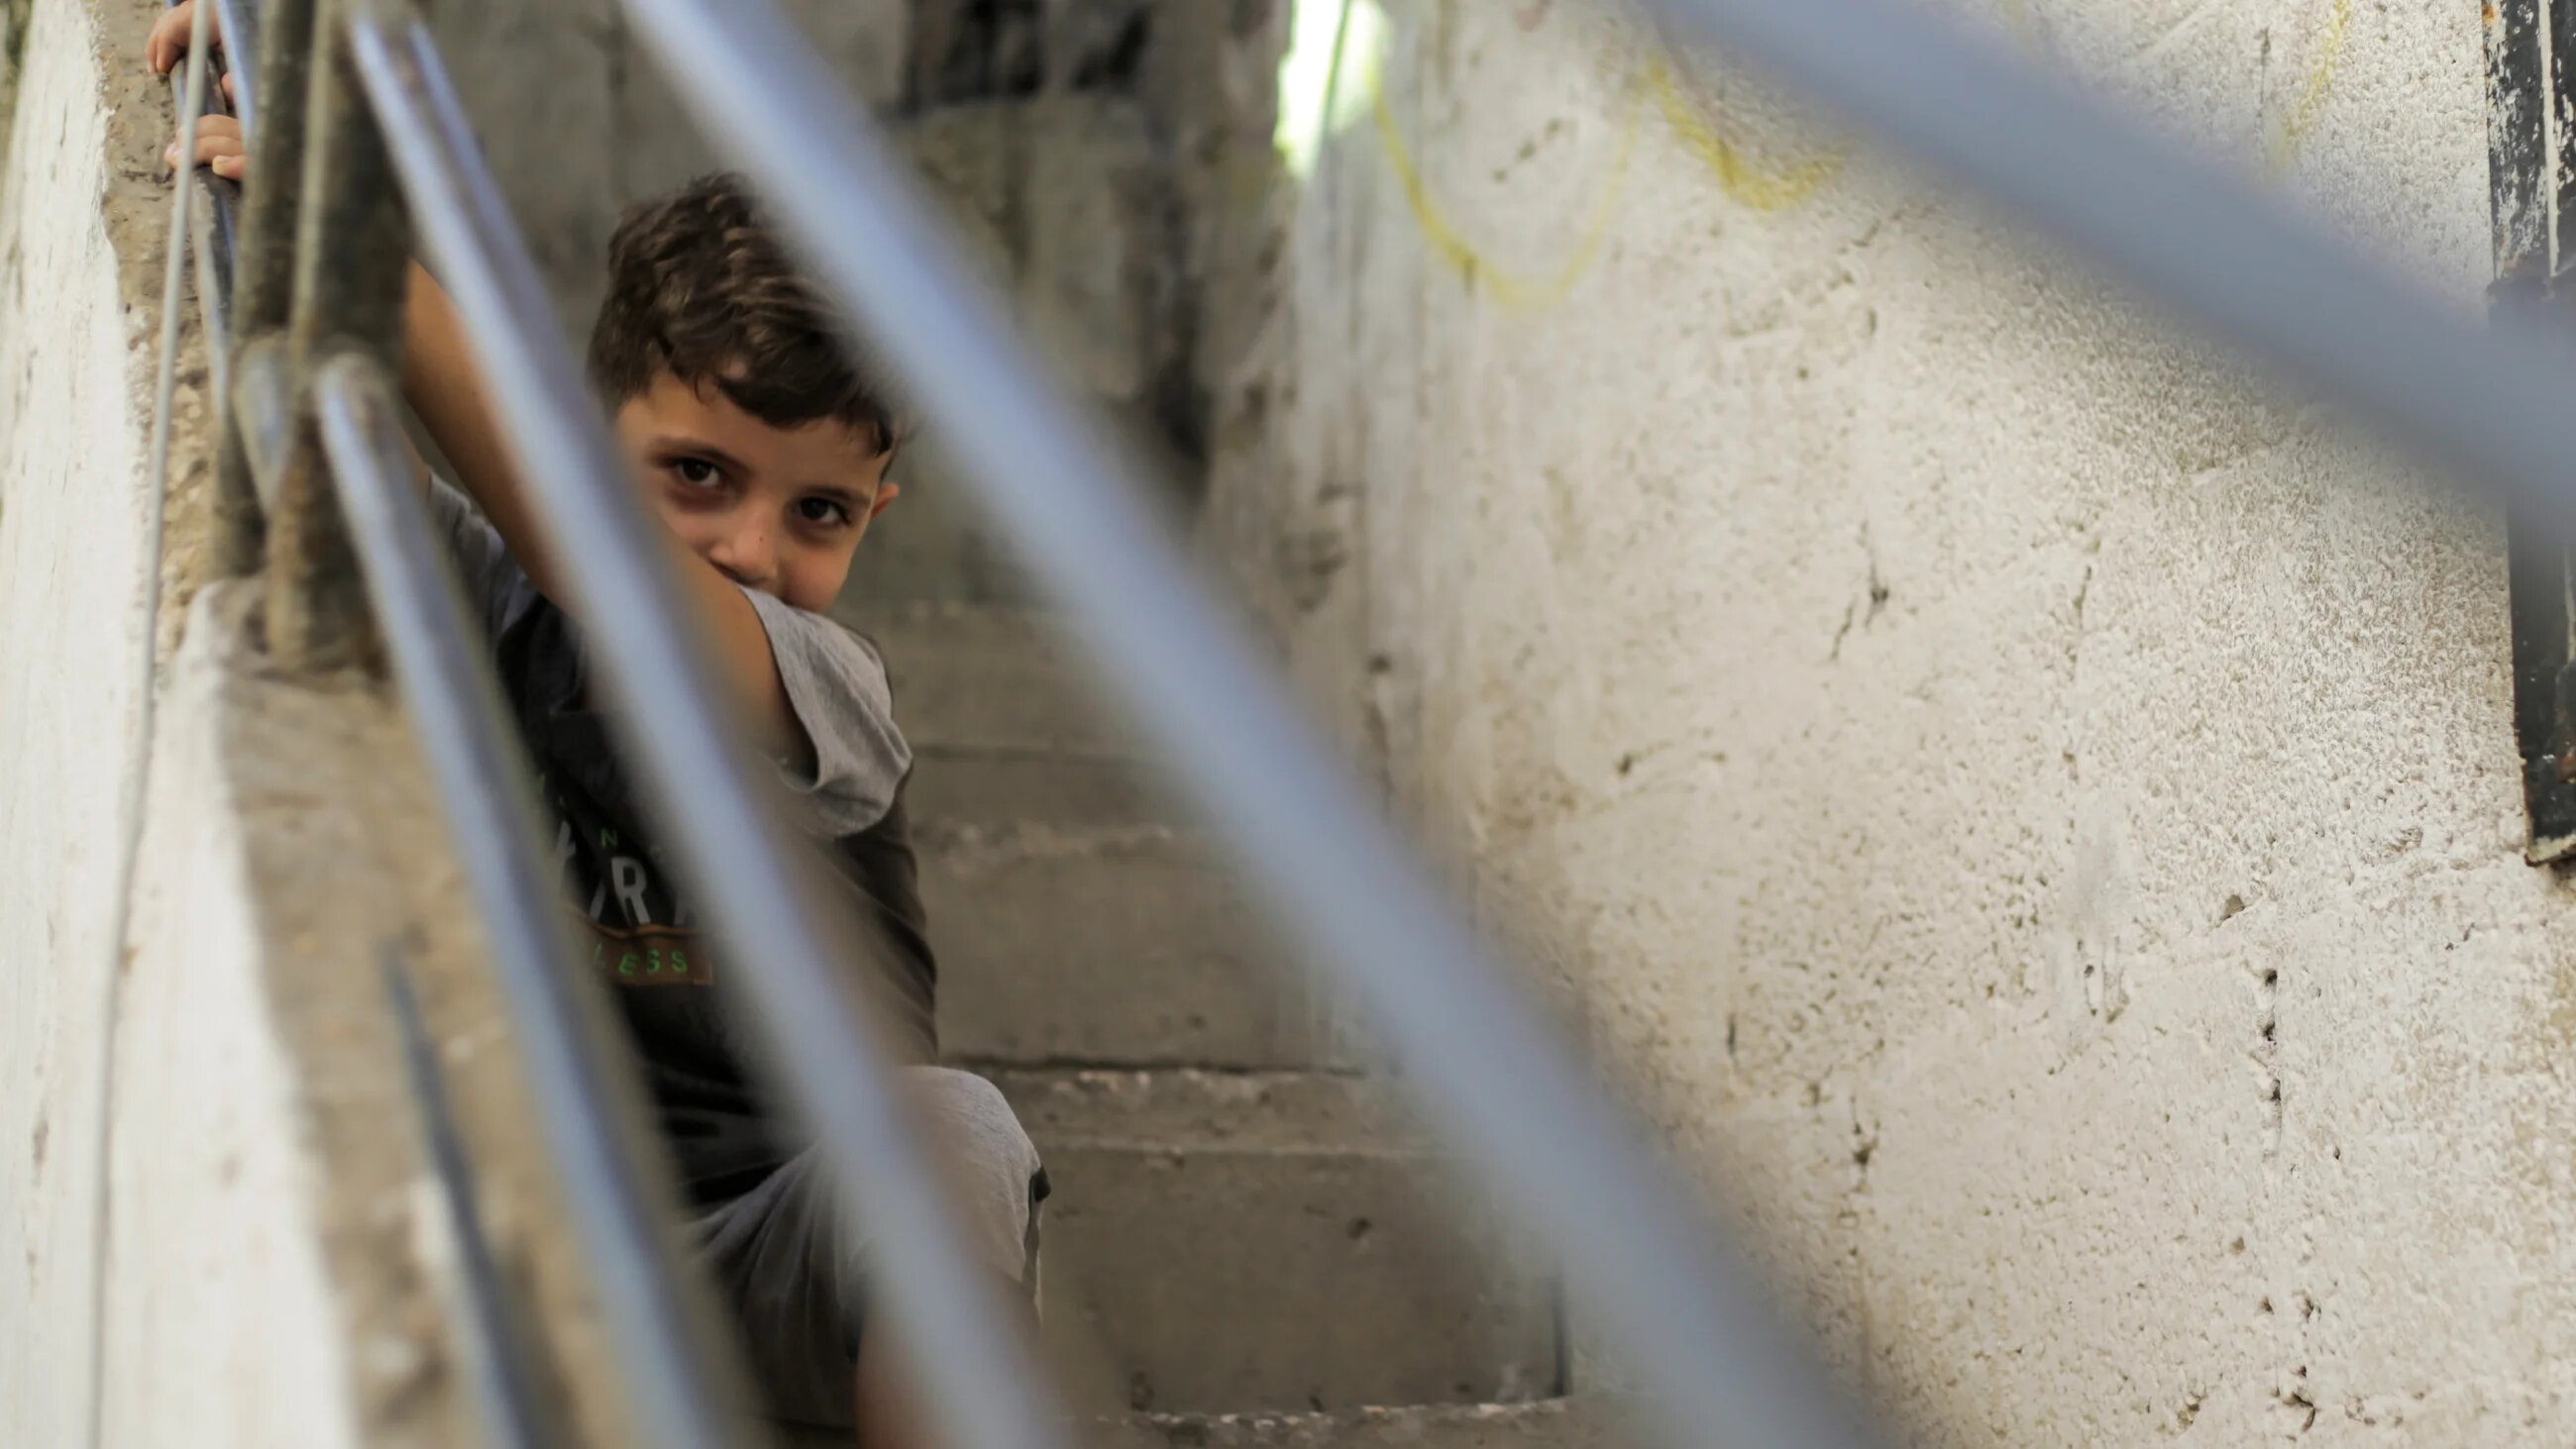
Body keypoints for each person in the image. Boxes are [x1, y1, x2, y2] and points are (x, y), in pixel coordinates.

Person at [150, 8, 1047, 1443]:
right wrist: (284, 69)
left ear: (877, 514)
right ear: (584, 427)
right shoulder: (485, 595)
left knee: (958, 1133)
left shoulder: (833, 692)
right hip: (531, 1231)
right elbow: (336, 445)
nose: (753, 549)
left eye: (819, 511)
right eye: (696, 474)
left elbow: (622, 587)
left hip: (771, 1257)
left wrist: (368, 245)